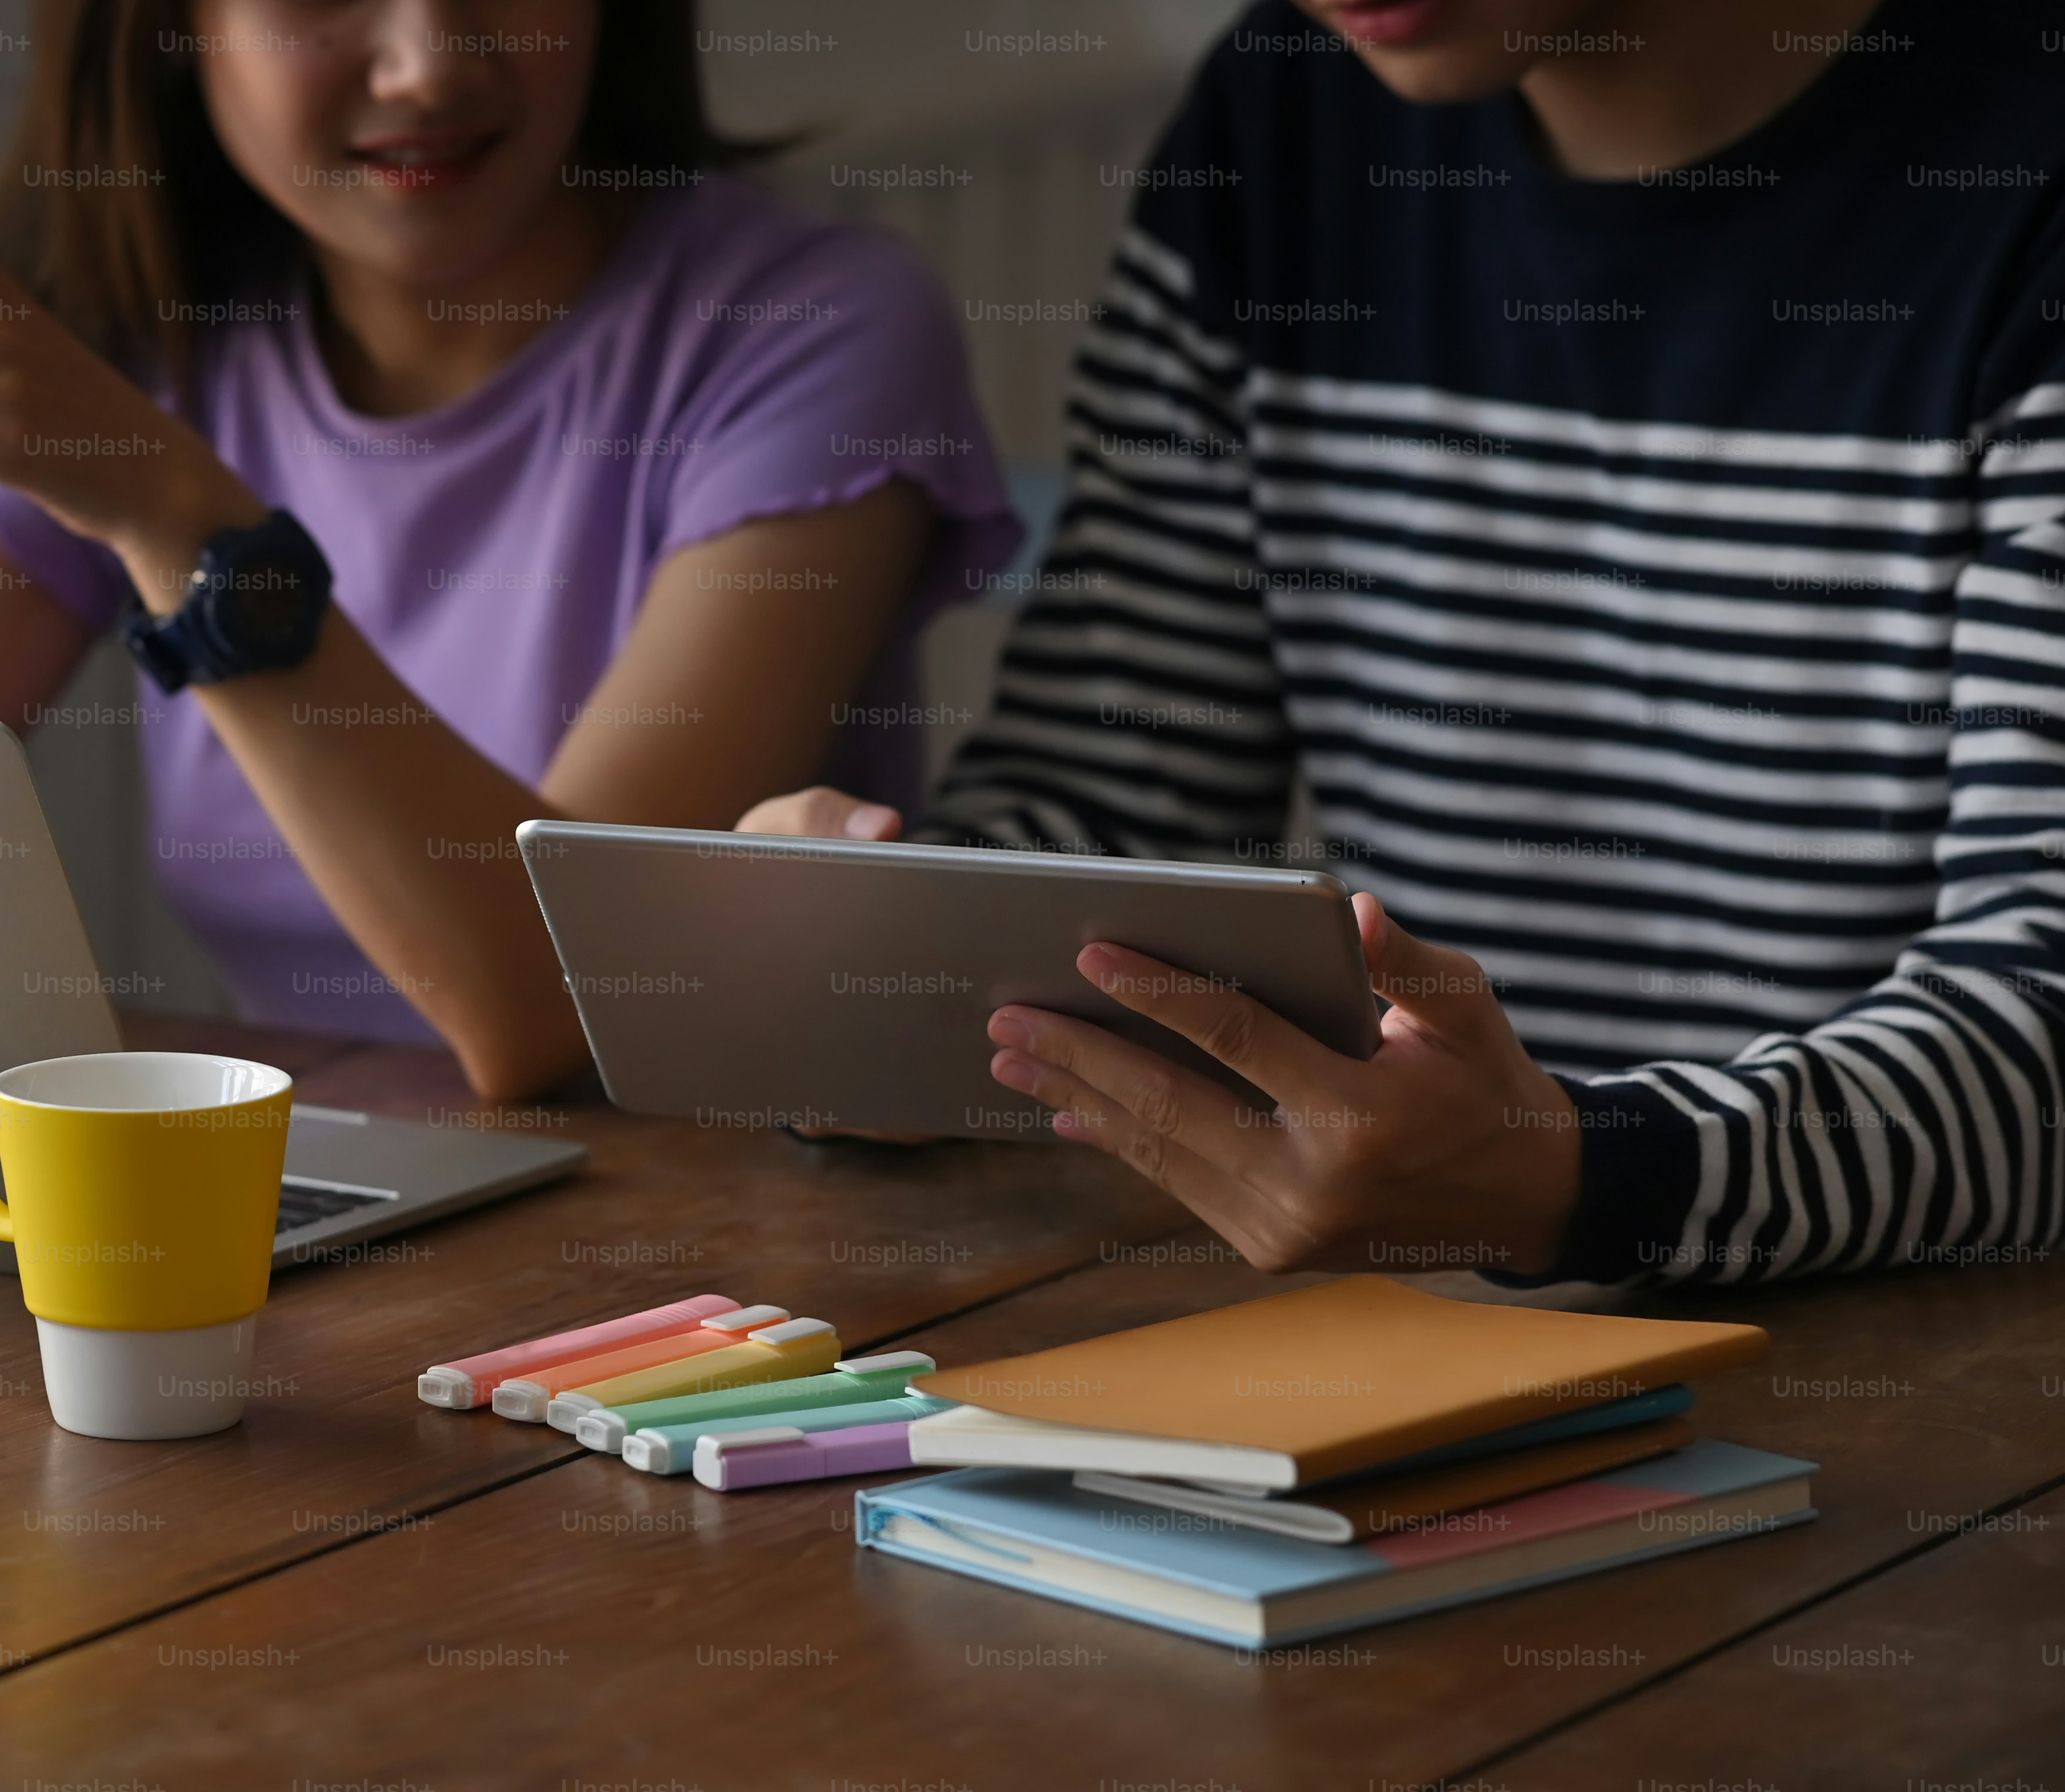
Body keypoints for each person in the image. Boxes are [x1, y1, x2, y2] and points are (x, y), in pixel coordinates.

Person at [740, 0, 2065, 1285]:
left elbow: (2043, 1026)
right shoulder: (1287, 116)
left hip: (1936, 1371)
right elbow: (1118, 779)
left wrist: (1571, 1174)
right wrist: (894, 970)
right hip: (1425, 1329)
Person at [0, 0, 1015, 1101]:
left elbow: (559, 1003)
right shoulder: (149, 332)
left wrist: (183, 519)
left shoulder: (813, 332)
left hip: (704, 1257)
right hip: (317, 1213)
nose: (428, 63)